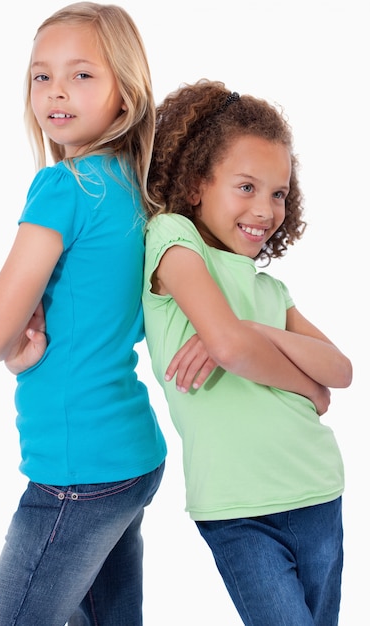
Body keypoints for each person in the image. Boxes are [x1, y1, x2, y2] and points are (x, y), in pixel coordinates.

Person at [0, 4, 206, 625]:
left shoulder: (65, 188)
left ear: (125, 97)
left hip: (76, 473)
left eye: (81, 75)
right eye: (40, 75)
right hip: (129, 458)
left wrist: (11, 349)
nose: (55, 91)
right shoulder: (136, 187)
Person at [142, 79, 353, 626]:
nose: (266, 208)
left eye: (279, 193)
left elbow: (343, 370)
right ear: (195, 185)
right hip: (238, 512)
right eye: (246, 187)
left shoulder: (268, 292)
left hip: (317, 492)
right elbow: (231, 347)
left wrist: (262, 333)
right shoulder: (172, 241)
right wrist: (304, 383)